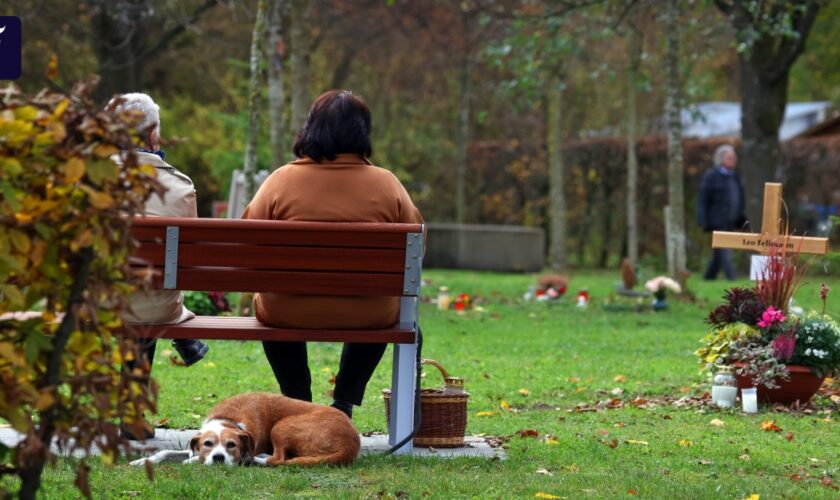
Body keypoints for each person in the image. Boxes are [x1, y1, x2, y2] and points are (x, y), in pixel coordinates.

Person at [242, 90, 423, 418]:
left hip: (288, 310)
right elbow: (416, 248)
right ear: (362, 134)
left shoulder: (280, 181)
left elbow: (246, 242)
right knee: (384, 308)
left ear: (311, 129)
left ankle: (299, 401)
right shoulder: (388, 184)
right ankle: (344, 401)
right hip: (367, 313)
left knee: (270, 303)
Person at [109, 93, 209, 439]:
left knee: (129, 291)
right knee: (151, 293)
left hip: (91, 302)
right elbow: (190, 261)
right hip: (156, 306)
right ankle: (133, 412)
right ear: (154, 137)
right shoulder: (180, 187)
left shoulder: (88, 181)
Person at [696, 144, 747, 280]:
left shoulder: (735, 177)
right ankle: (733, 279)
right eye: (731, 158)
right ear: (721, 160)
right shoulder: (711, 177)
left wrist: (742, 219)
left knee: (718, 254)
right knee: (725, 250)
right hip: (717, 221)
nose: (734, 160)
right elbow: (702, 200)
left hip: (731, 221)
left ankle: (708, 278)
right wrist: (702, 220)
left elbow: (739, 199)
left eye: (734, 158)